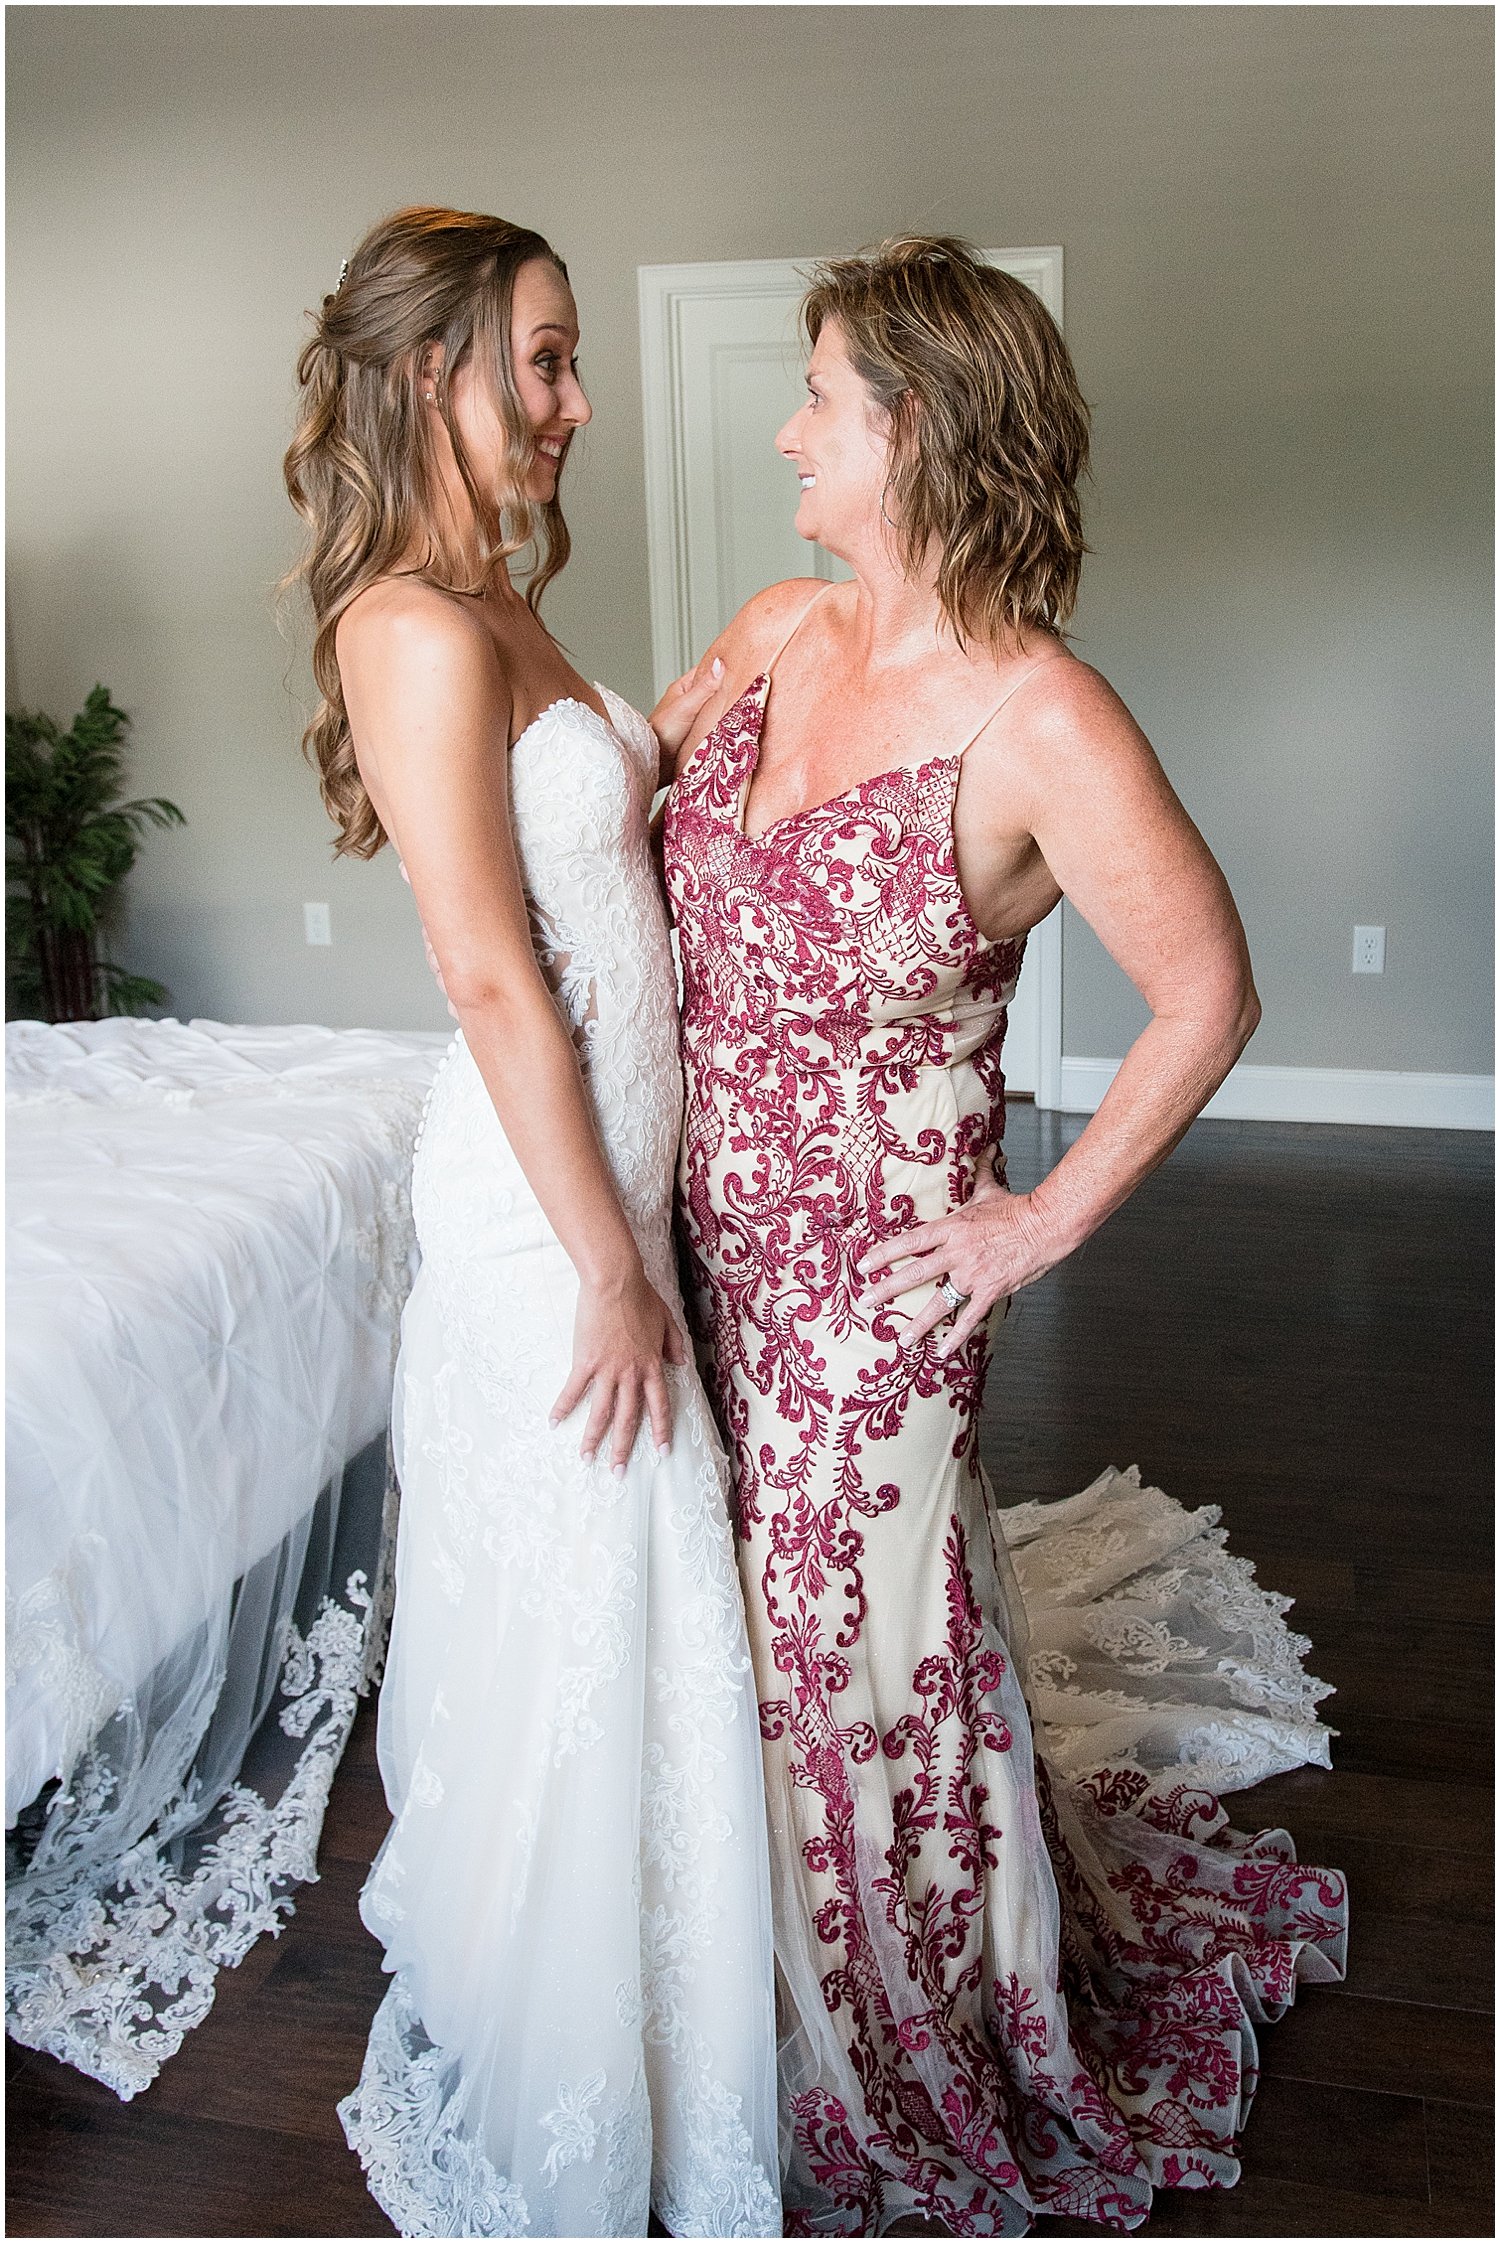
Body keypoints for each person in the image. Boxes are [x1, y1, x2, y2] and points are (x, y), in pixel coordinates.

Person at [659, 236, 1348, 2235]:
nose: (788, 429)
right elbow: (614, 806)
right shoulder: (782, 627)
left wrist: (1037, 1225)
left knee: (847, 1666)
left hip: (877, 1289)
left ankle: (893, 2041)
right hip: (701, 1245)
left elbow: (1206, 995)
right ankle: (730, 1999)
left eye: (822, 399)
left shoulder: (1044, 720)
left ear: (924, 430)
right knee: (729, 1637)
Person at [283, 206, 780, 2239]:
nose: (576, 403)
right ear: (435, 376)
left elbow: (602, 844)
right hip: (541, 1223)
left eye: (574, 363)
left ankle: (682, 1973)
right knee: (596, 1574)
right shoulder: (405, 620)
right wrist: (605, 1263)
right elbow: (495, 973)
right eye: (546, 361)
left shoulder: (499, 598)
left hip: (617, 1194)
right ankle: (592, 2041)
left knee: (642, 1600)